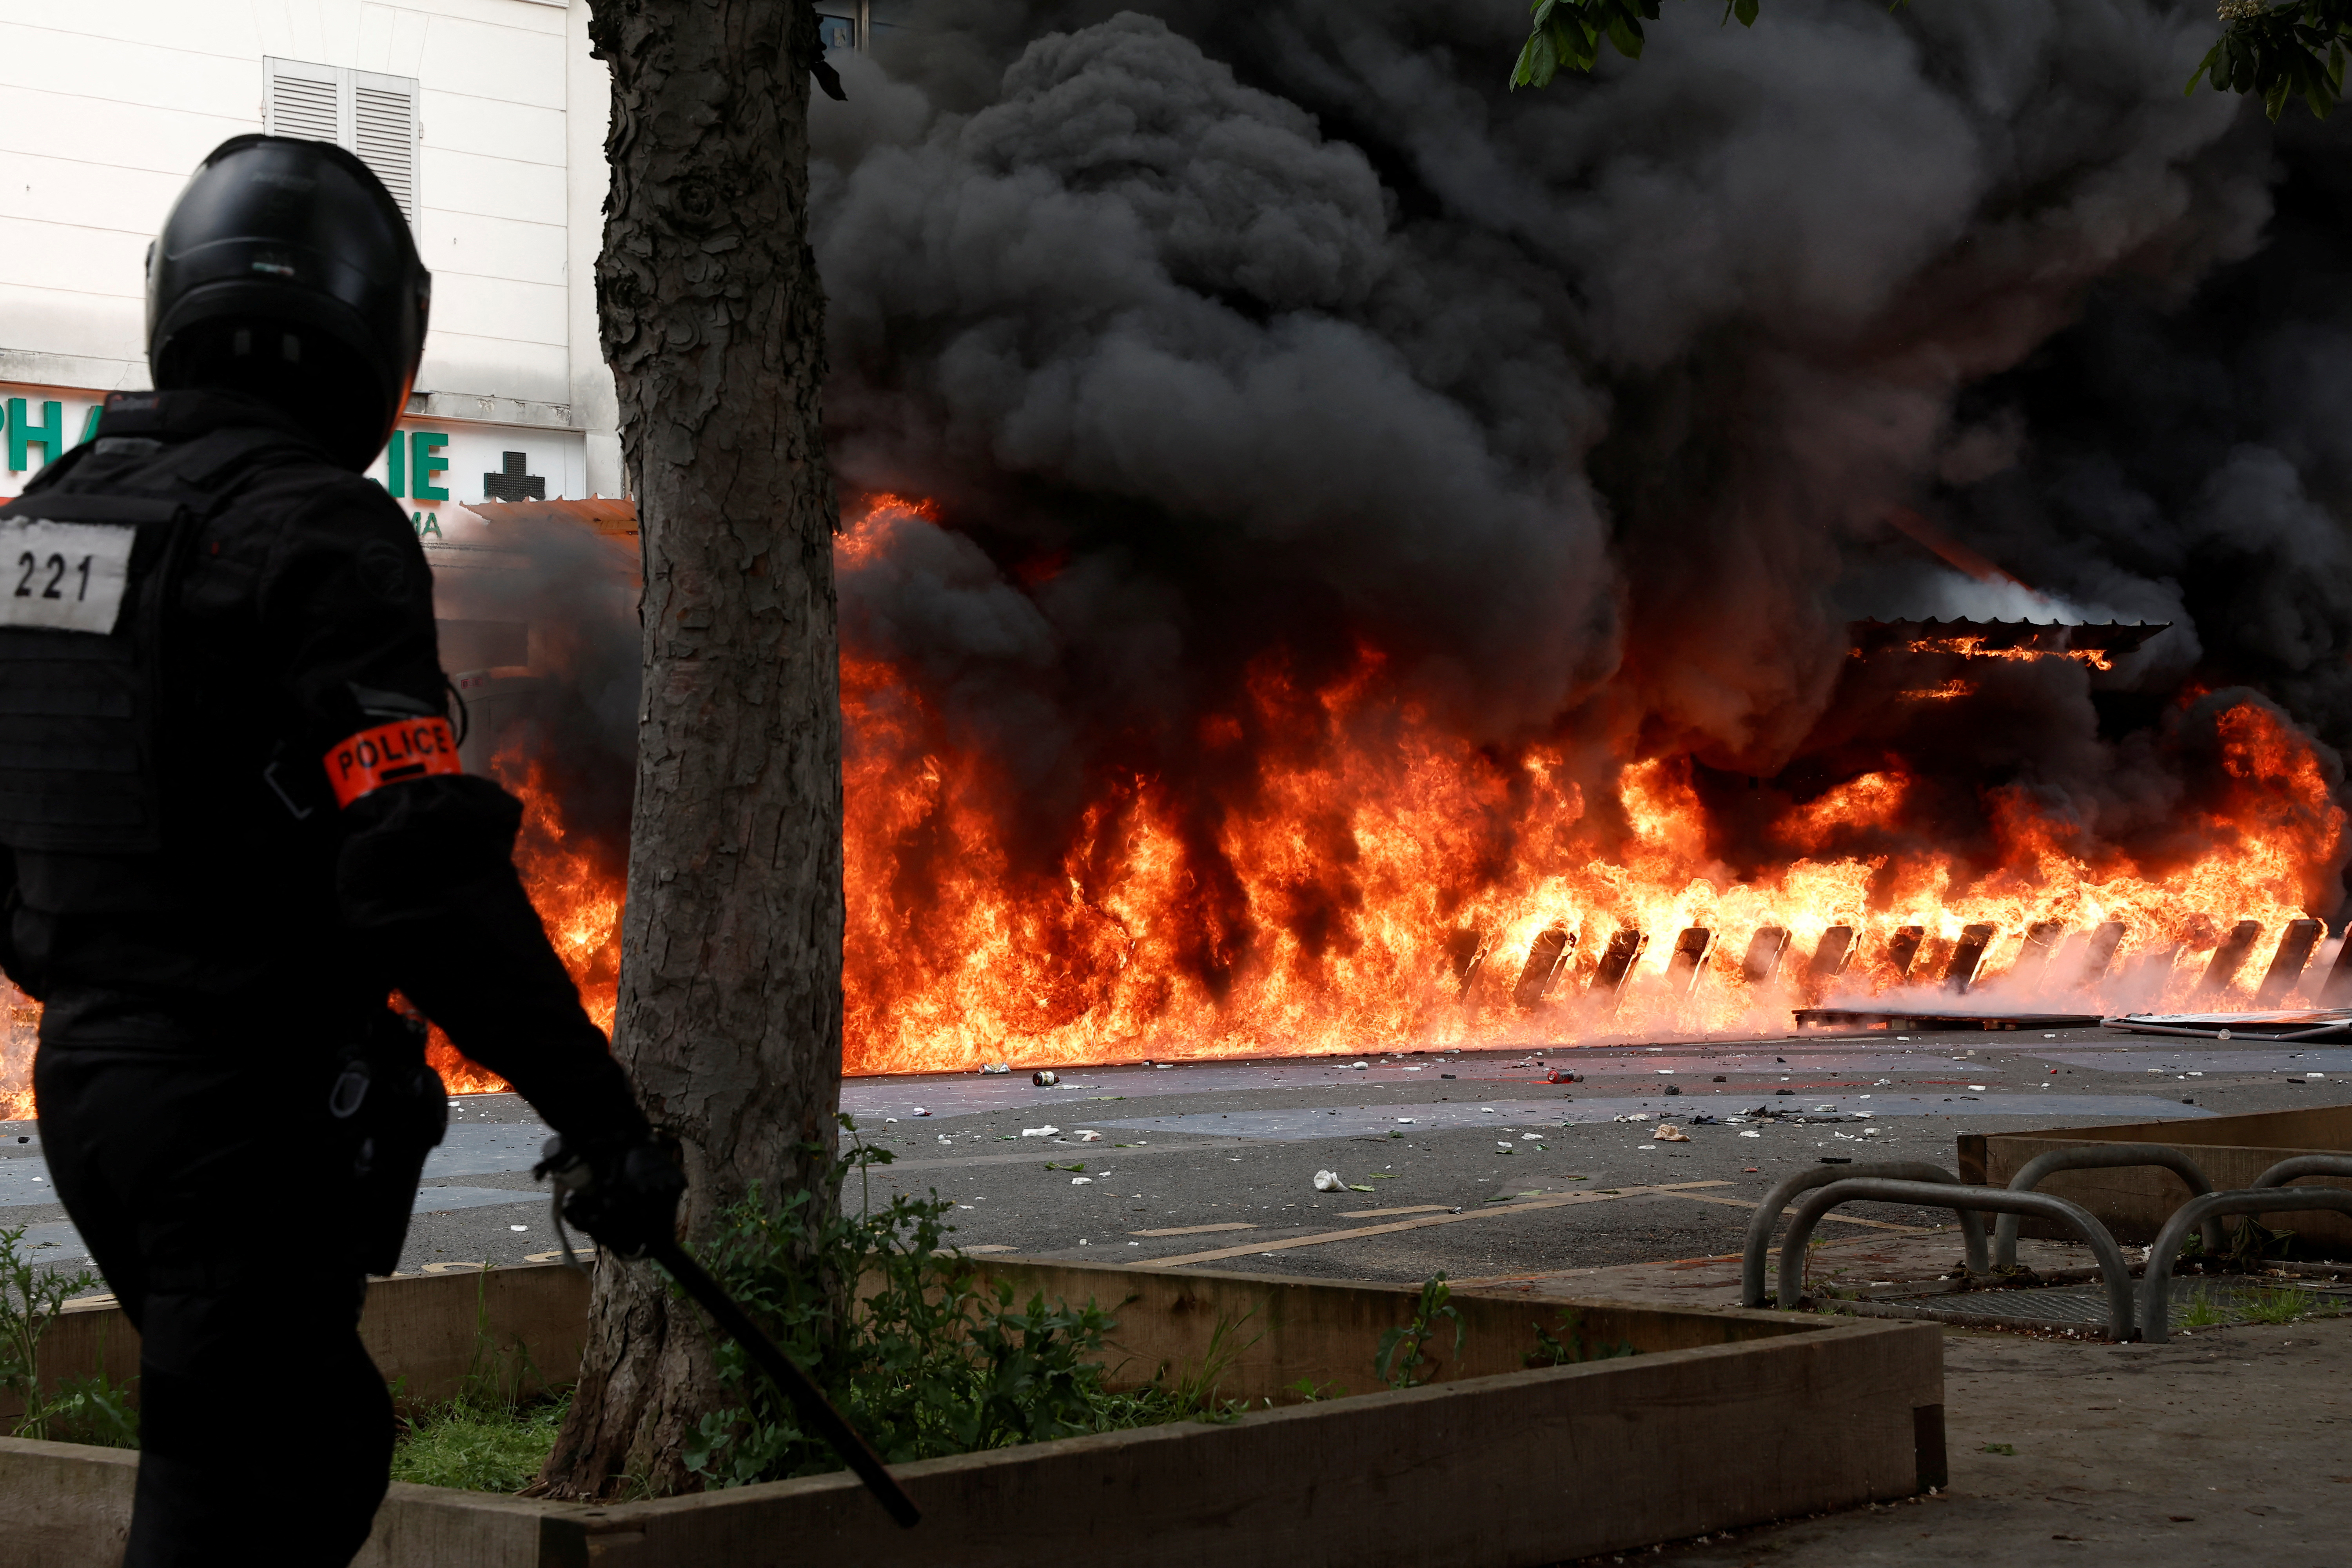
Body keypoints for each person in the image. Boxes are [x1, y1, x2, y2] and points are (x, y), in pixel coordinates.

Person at [0, 135, 678, 1565]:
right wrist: (599, 1115)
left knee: (292, 1443)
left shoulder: (41, 527)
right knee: (262, 1477)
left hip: (91, 1086)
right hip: (241, 1108)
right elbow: (417, 868)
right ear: (374, 329)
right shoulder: (318, 527)